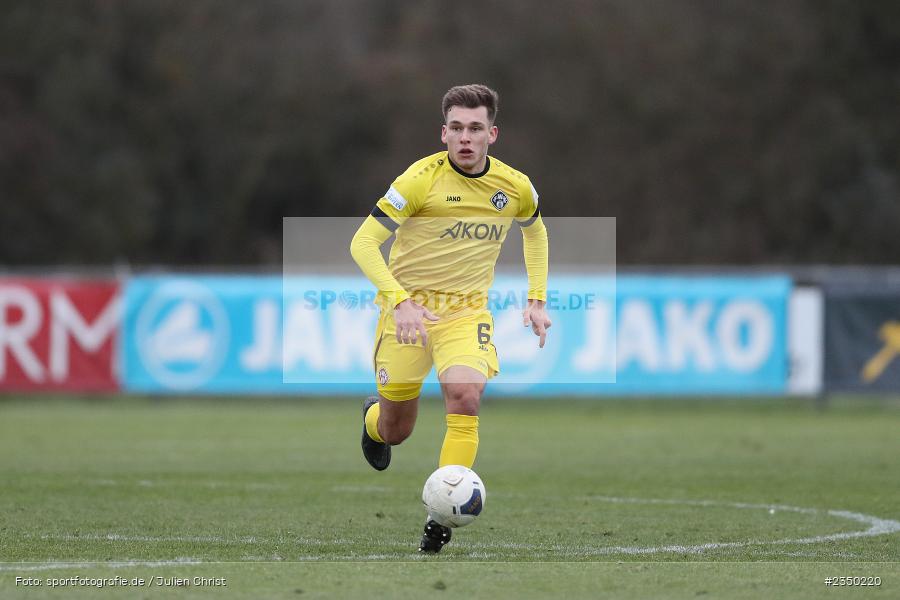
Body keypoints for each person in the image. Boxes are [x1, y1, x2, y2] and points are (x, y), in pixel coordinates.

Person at [349, 84, 550, 553]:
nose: (465, 137)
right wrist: (400, 301)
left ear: (492, 134)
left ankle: (440, 517)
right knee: (397, 429)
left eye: (475, 128)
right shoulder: (418, 181)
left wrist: (537, 298)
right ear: (443, 133)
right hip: (408, 314)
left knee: (465, 396)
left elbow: (535, 232)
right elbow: (362, 243)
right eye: (456, 128)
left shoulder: (514, 187)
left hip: (466, 312)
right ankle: (373, 420)